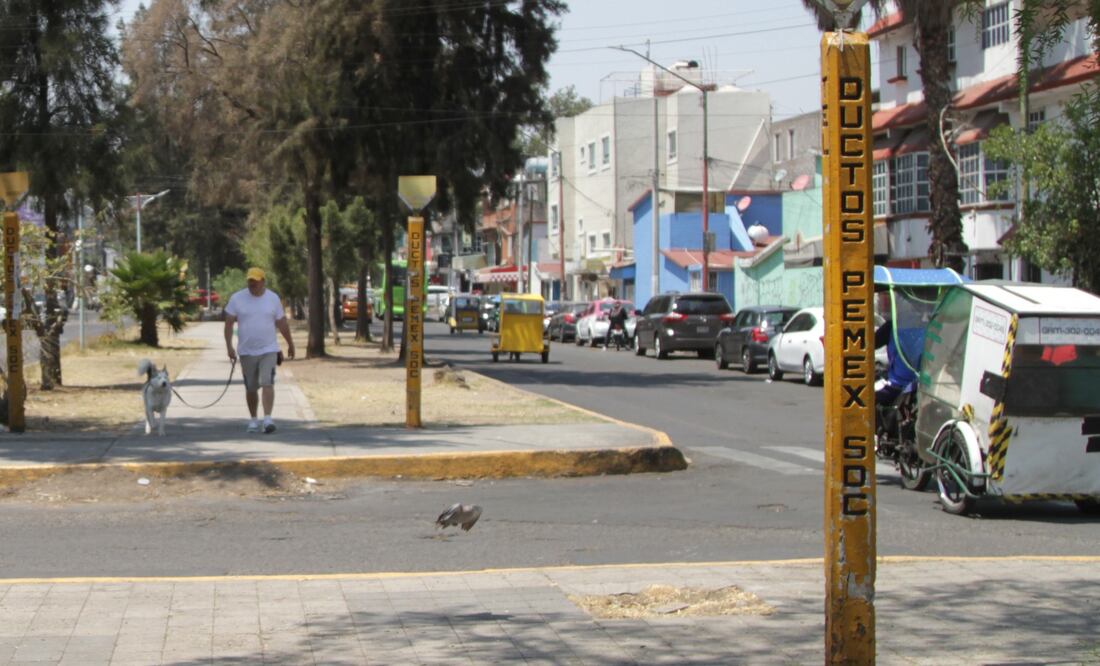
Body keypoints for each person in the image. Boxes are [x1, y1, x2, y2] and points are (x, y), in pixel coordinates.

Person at [224, 267, 295, 434]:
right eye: (250, 280)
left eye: (255, 281)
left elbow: (282, 323)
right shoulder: (237, 298)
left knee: (267, 382)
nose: (252, 284)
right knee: (251, 387)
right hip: (247, 351)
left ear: (263, 281)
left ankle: (268, 418)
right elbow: (228, 323)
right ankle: (254, 419)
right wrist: (229, 347)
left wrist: (290, 343)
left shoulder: (273, 298)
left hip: (269, 350)